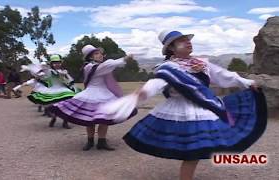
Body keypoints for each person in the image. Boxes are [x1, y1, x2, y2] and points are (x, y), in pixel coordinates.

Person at [100, 30, 267, 180]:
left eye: (187, 39)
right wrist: (136, 96)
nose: (188, 42)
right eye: (182, 40)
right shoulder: (167, 68)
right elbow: (155, 85)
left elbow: (224, 75)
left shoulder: (201, 63)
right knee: (192, 152)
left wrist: (246, 82)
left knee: (195, 150)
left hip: (202, 109)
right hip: (180, 112)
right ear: (171, 48)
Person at [49, 45, 137, 151]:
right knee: (90, 120)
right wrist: (126, 58)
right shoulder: (92, 67)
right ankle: (90, 141)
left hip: (104, 94)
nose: (99, 55)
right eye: (96, 53)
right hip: (93, 94)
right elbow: (111, 64)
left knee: (104, 120)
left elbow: (108, 66)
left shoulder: (94, 66)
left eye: (99, 53)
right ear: (90, 57)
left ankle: (101, 142)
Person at [27, 55, 79, 129]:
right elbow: (41, 76)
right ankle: (53, 118)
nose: (57, 64)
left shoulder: (64, 71)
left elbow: (69, 81)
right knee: (54, 106)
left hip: (64, 89)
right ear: (51, 64)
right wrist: (40, 72)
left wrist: (66, 78)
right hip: (53, 90)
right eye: (55, 63)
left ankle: (65, 122)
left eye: (58, 62)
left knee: (67, 105)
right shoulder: (49, 71)